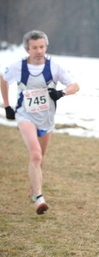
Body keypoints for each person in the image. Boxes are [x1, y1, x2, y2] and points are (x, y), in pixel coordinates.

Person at [0, 30, 80, 214]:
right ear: (27, 49)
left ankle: (33, 189)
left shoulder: (54, 66)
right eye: (34, 47)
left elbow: (75, 85)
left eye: (42, 47)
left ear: (46, 46)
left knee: (40, 158)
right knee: (35, 155)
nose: (38, 51)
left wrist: (61, 93)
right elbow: (3, 79)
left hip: (47, 118)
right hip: (25, 115)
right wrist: (7, 106)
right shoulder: (18, 67)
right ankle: (38, 197)